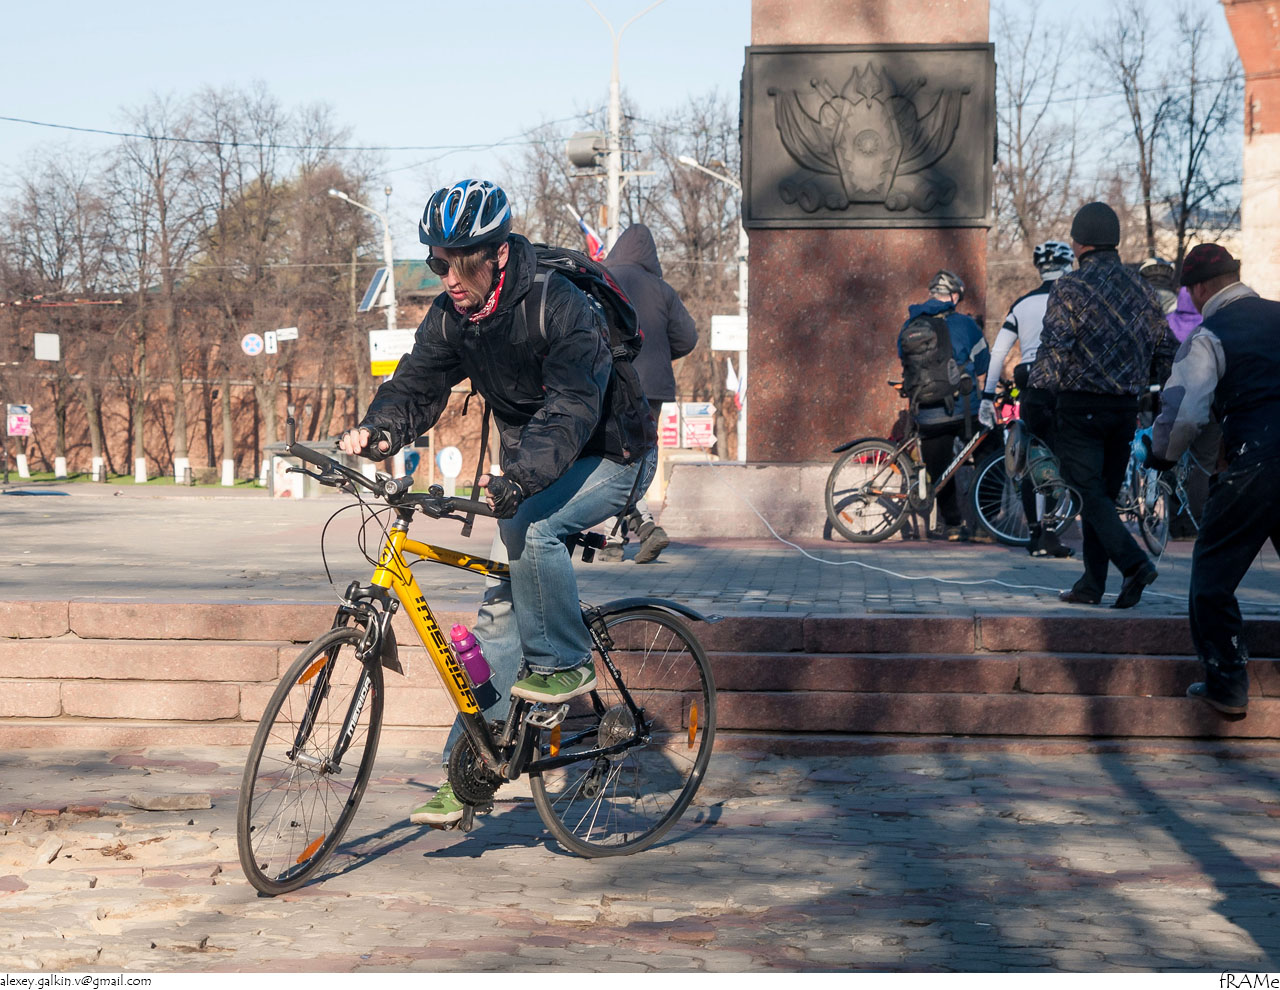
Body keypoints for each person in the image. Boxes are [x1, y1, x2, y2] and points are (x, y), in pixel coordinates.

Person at [338, 179, 657, 826]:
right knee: (495, 622)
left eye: (463, 263)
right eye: (438, 264)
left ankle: (565, 664)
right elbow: (417, 383)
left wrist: (522, 477)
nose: (450, 278)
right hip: (534, 467)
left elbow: (572, 404)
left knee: (534, 531)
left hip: (613, 454)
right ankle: (470, 773)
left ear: (499, 254)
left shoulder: (558, 302)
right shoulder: (454, 316)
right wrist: (379, 430)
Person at [1144, 244, 1280, 715]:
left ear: (1200, 288)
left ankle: (1227, 683)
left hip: (1255, 464)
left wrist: (1162, 456)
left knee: (1212, 577)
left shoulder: (1209, 335)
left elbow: (1185, 412)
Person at [1028, 201, 1168, 608]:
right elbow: (1165, 349)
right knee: (1100, 496)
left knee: (1086, 492)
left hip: (1079, 408)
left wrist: (1035, 400)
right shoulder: (1143, 289)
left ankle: (1134, 564)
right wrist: (1163, 398)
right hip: (1125, 410)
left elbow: (1055, 348)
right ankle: (1091, 585)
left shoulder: (1070, 287)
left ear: (1080, 243)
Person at [602, 223, 699, 564]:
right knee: (637, 457)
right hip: (652, 388)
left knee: (613, 455)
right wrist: (658, 355)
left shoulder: (603, 279)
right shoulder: (662, 290)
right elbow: (687, 337)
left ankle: (624, 535)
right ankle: (628, 532)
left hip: (610, 380)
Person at [980, 240, 1075, 557]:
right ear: (1068, 266)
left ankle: (1035, 537)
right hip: (1065, 387)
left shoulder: (1021, 305)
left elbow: (998, 353)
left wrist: (987, 396)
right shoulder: (1074, 300)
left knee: (1032, 460)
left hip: (1031, 387)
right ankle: (1050, 532)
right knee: (1060, 460)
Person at [899, 269, 990, 541]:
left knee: (940, 468)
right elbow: (983, 364)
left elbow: (904, 359)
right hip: (964, 410)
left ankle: (951, 525)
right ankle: (984, 524)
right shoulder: (966, 324)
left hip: (926, 412)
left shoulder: (910, 324)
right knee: (990, 450)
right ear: (954, 297)